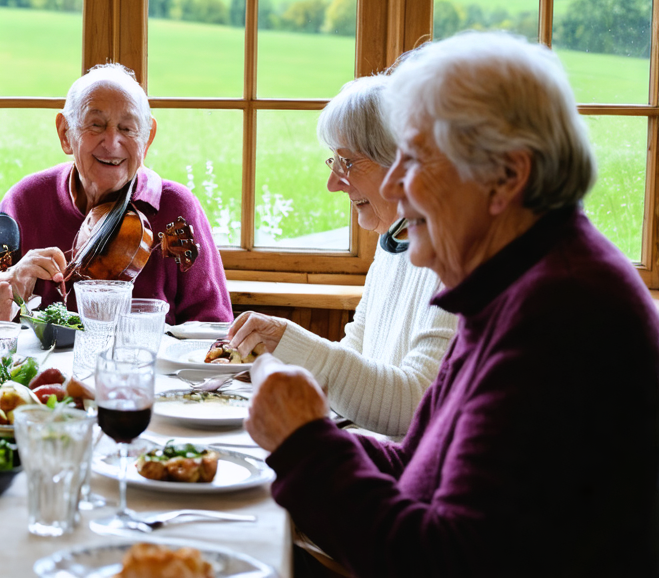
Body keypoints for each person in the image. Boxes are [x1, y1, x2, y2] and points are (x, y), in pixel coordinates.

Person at [245, 31, 659, 576]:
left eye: (414, 160)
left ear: (506, 177)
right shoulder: (508, 281)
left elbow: (444, 560)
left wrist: (306, 445)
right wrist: (270, 453)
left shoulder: (564, 312)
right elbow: (416, 466)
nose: (394, 185)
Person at [227, 76, 457, 437]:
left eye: (348, 163)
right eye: (333, 161)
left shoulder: (456, 260)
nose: (333, 183)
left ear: (400, 161)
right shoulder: (392, 244)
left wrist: (287, 340)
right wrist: (275, 363)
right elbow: (356, 368)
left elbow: (414, 404)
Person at [0, 64, 231, 324]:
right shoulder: (25, 202)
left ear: (147, 138)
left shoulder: (175, 208)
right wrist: (10, 293)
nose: (111, 143)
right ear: (65, 133)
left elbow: (214, 328)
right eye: (95, 125)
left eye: (127, 128)